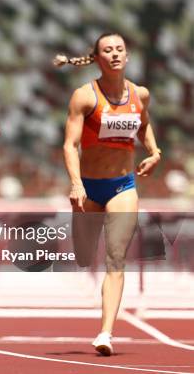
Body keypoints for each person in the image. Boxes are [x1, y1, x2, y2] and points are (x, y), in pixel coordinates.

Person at [57, 32, 161, 356]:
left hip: (122, 185)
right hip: (89, 187)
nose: (114, 54)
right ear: (97, 58)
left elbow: (143, 123)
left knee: (116, 258)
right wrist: (76, 184)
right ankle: (78, 214)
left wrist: (155, 151)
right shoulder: (85, 97)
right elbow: (70, 144)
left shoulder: (139, 94)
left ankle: (105, 333)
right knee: (85, 257)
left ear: (127, 56)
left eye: (119, 49)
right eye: (107, 50)